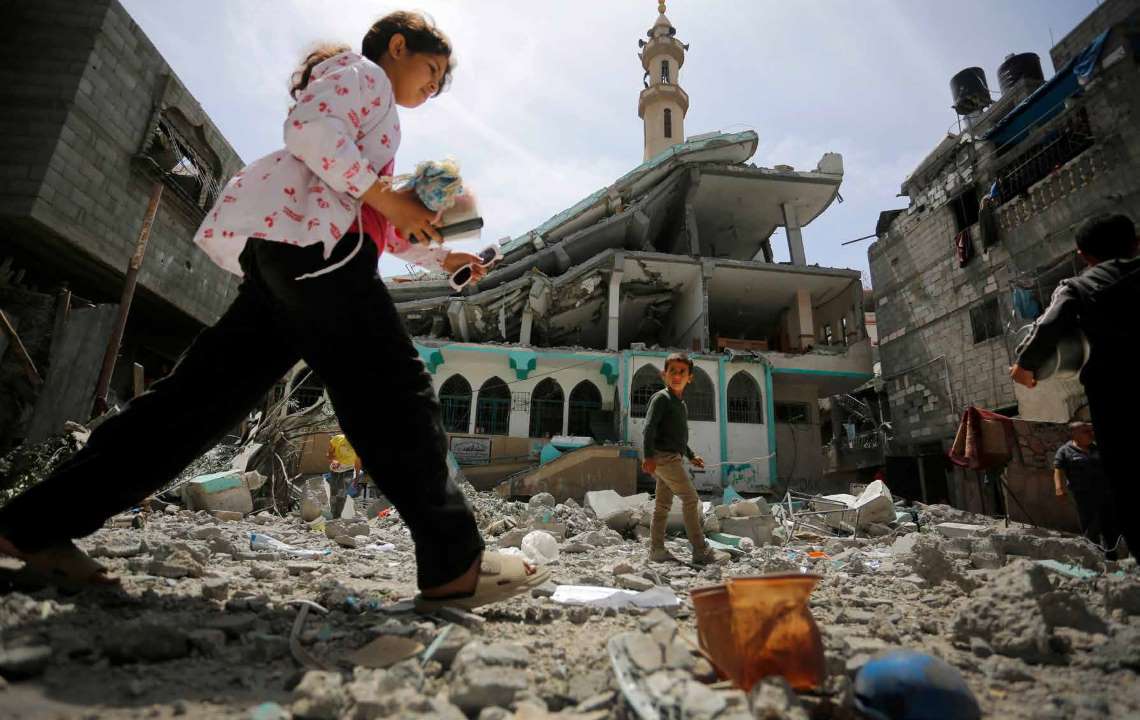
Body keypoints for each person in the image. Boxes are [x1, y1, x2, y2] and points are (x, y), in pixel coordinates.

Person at [0, 12, 546, 609]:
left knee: (196, 402)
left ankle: (34, 526)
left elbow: (370, 214)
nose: (433, 87)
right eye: (431, 70)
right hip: (321, 258)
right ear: (397, 47)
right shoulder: (362, 76)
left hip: (291, 261)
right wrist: (386, 193)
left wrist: (442, 255)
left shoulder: (373, 119)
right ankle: (454, 562)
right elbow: (309, 131)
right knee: (393, 390)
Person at [1011, 213, 1140, 558]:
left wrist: (1024, 368)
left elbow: (1047, 327)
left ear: (1083, 255)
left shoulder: (1079, 287)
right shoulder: (1068, 453)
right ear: (1135, 243)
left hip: (1118, 401)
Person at [642, 353, 726, 565]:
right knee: (691, 500)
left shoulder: (680, 404)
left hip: (672, 458)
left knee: (662, 505)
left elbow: (677, 437)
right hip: (663, 459)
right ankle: (700, 550)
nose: (677, 376)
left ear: (690, 377)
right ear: (664, 375)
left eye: (682, 372)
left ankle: (657, 550)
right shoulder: (662, 398)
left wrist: (691, 455)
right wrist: (648, 457)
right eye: (672, 371)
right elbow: (648, 428)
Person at [1054, 422, 1119, 559]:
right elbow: (1058, 470)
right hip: (1084, 496)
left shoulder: (1095, 447)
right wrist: (1059, 488)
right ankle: (1094, 558)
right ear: (1074, 434)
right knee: (1091, 528)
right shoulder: (1065, 451)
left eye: (1090, 430)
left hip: (1105, 493)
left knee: (1109, 526)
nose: (1090, 433)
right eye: (1085, 431)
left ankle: (1112, 558)